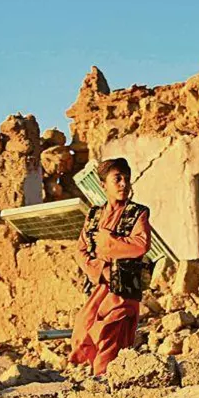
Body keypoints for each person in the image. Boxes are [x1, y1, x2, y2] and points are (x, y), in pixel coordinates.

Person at [68, 158, 152, 376]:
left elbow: (140, 244)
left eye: (126, 178)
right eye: (117, 179)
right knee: (84, 328)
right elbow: (81, 250)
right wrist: (99, 269)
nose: (124, 183)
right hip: (99, 287)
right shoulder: (93, 215)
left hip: (123, 289)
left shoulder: (138, 213)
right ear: (103, 185)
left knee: (110, 331)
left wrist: (108, 242)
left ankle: (106, 380)